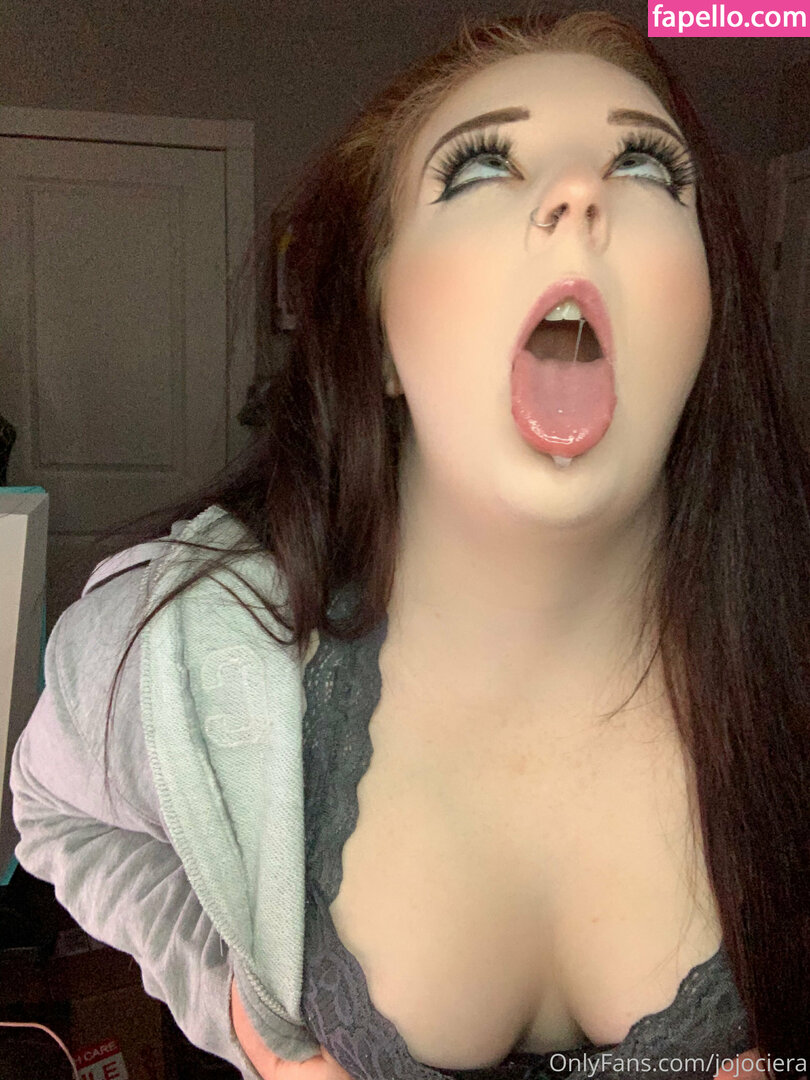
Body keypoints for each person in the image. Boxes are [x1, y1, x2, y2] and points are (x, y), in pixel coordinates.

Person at [9, 6, 809, 1080]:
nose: (582, 193)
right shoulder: (192, 650)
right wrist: (252, 1022)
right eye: (480, 169)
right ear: (379, 337)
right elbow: (53, 811)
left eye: (647, 167)